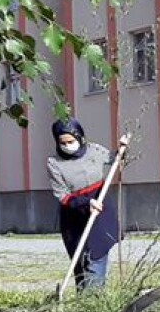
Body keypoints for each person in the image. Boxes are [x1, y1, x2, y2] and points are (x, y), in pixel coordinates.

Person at [46, 118, 127, 291]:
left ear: (80, 137)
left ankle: (93, 301)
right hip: (74, 216)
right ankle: (83, 306)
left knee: (95, 257)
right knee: (80, 263)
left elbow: (114, 159)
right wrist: (84, 203)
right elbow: (62, 195)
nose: (67, 145)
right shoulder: (54, 163)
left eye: (71, 141)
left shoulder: (94, 151)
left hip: (100, 211)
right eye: (63, 143)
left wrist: (122, 149)